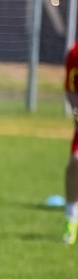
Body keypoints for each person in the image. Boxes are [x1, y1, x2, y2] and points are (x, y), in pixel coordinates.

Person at [65, 37, 78, 243]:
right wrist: (76, 110)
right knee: (75, 161)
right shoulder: (75, 53)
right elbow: (70, 88)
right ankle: (71, 219)